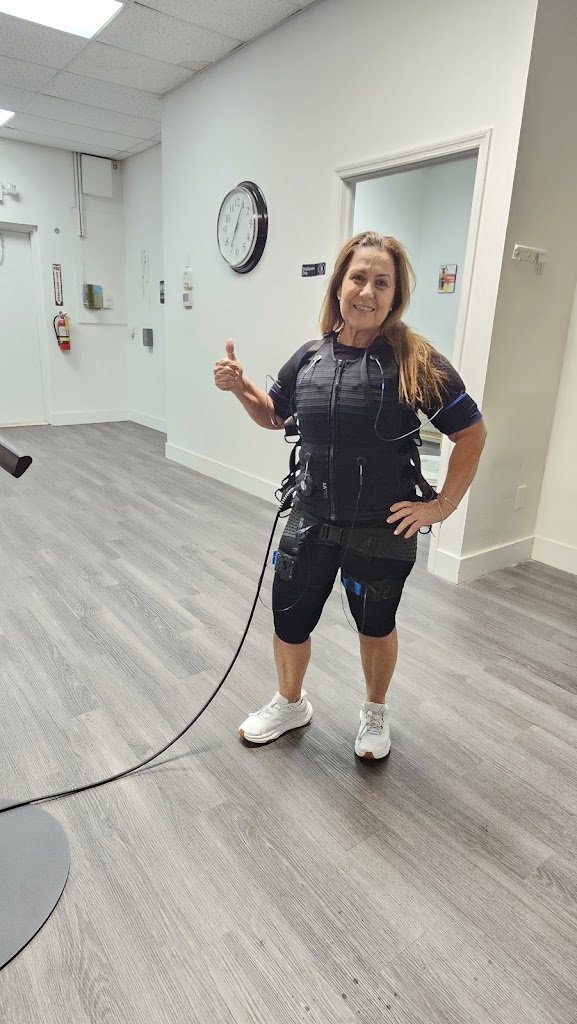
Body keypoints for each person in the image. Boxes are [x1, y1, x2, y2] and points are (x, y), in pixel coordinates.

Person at [213, 231, 486, 758]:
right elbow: (275, 415)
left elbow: (470, 431)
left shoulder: (415, 360)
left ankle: (375, 711)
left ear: (395, 295)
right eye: (358, 277)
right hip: (310, 518)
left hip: (381, 529)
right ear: (339, 284)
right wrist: (241, 388)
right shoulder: (309, 358)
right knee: (290, 619)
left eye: (382, 282)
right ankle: (290, 703)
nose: (367, 291)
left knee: (375, 625)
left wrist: (441, 506)